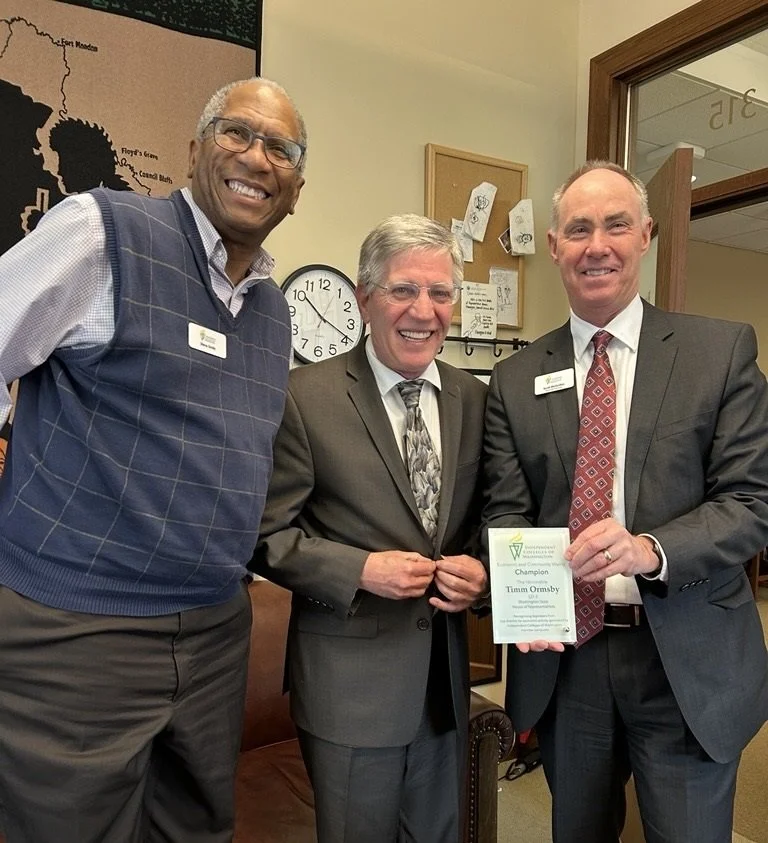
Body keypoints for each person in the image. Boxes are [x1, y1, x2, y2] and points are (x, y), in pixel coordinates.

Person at [0, 76, 306, 842]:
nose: (257, 157)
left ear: (297, 189)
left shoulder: (274, 313)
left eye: (281, 147)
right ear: (196, 147)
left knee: (193, 830)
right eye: (237, 132)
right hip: (78, 630)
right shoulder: (102, 232)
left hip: (212, 634)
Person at [483, 161, 768, 843]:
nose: (597, 245)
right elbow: (506, 512)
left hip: (684, 653)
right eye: (578, 229)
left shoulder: (718, 352)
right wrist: (521, 595)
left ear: (646, 235)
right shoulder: (516, 378)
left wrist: (650, 549)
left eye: (616, 225)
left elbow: (751, 501)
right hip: (569, 660)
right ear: (554, 246)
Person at [252, 214, 489, 843]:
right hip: (348, 692)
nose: (424, 310)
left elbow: (489, 518)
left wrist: (482, 574)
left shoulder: (477, 399)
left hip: (443, 686)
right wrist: (358, 569)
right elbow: (266, 534)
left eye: (441, 293)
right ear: (363, 300)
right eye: (404, 290)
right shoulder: (303, 397)